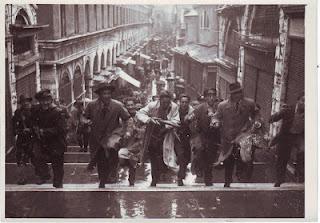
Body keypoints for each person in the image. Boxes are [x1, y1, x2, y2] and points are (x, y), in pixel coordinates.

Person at [211, 82, 261, 188]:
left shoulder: (249, 103)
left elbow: (256, 114)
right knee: (229, 160)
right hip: (228, 138)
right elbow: (216, 117)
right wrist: (215, 122)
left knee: (244, 158)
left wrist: (257, 122)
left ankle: (241, 176)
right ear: (231, 94)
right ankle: (227, 181)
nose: (238, 95)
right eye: (235, 93)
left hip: (243, 136)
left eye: (239, 92)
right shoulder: (222, 106)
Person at [84, 82, 131, 188]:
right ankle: (102, 179)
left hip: (112, 135)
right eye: (104, 93)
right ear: (99, 95)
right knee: (100, 159)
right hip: (96, 136)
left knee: (112, 155)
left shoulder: (118, 105)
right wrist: (86, 122)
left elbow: (127, 119)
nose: (106, 96)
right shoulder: (91, 105)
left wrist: (126, 131)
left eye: (108, 93)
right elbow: (84, 117)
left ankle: (112, 173)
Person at [136, 90, 180, 187]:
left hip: (166, 135)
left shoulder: (174, 107)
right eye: (163, 102)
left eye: (167, 102)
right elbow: (140, 114)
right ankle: (154, 179)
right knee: (153, 158)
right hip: (153, 134)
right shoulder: (152, 105)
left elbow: (176, 121)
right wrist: (149, 119)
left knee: (167, 156)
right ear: (159, 100)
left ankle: (164, 175)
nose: (165, 104)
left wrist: (165, 124)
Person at [32, 89, 67, 188]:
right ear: (39, 101)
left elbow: (61, 129)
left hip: (56, 142)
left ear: (51, 100)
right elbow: (33, 121)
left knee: (57, 164)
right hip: (42, 141)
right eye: (42, 100)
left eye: (47, 100)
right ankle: (45, 175)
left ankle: (58, 183)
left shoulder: (58, 112)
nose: (45, 103)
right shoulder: (36, 111)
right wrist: (35, 129)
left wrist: (45, 131)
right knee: (37, 157)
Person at [269, 94, 304, 187]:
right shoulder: (288, 110)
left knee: (304, 151)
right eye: (303, 101)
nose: (305, 104)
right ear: (298, 101)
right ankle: (279, 179)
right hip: (287, 135)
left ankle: (300, 172)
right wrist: (279, 113)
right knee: (282, 158)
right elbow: (272, 118)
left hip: (299, 136)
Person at [187, 88, 221, 186]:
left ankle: (208, 178)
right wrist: (190, 118)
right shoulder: (200, 108)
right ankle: (199, 168)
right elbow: (191, 117)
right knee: (200, 151)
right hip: (201, 135)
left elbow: (223, 118)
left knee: (211, 157)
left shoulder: (219, 107)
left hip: (214, 136)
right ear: (205, 97)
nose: (211, 98)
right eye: (209, 96)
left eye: (213, 95)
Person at [118, 97, 145, 186]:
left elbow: (144, 129)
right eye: (128, 105)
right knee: (122, 158)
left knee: (133, 161)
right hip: (124, 141)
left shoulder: (140, 117)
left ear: (134, 105)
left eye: (131, 105)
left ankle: (131, 180)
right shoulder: (122, 117)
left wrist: (136, 130)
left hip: (135, 142)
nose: (130, 107)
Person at [12, 95, 34, 185]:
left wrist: (31, 129)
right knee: (20, 158)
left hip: (32, 137)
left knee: (34, 157)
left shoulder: (33, 112)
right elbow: (14, 124)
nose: (25, 103)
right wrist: (18, 131)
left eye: (27, 101)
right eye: (23, 102)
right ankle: (22, 177)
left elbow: (38, 123)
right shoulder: (18, 112)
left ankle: (39, 174)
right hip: (22, 137)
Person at [175, 94, 193, 186]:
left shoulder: (192, 112)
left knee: (186, 158)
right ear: (179, 102)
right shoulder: (175, 111)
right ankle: (180, 177)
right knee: (181, 156)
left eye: (186, 102)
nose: (184, 104)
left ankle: (182, 174)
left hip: (188, 138)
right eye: (182, 102)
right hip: (177, 137)